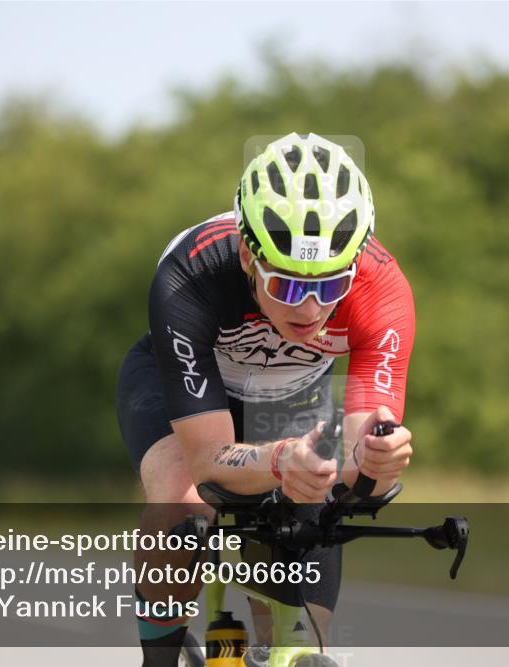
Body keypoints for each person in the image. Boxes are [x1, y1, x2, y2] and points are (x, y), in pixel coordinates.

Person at [116, 132, 415, 666]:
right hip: (190, 390)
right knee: (183, 508)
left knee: (298, 623)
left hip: (292, 398)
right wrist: (279, 460)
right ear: (248, 258)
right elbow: (208, 460)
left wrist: (377, 464)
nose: (308, 309)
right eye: (288, 286)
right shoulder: (191, 273)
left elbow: (364, 466)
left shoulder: (381, 290)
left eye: (328, 287)